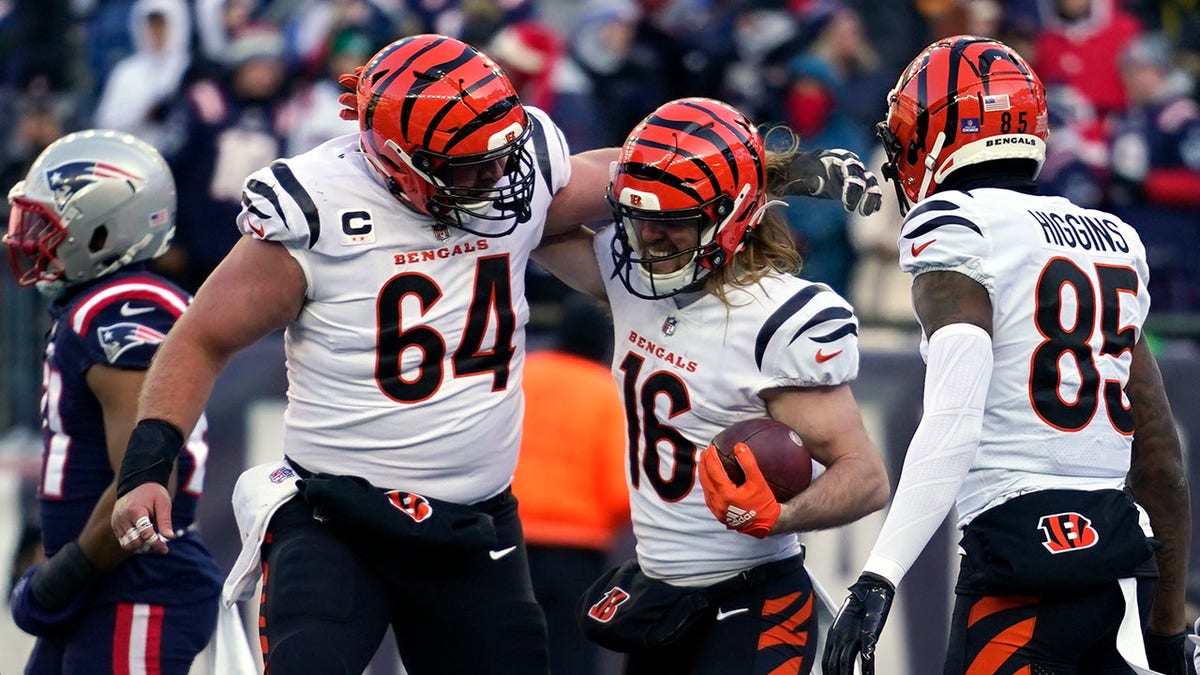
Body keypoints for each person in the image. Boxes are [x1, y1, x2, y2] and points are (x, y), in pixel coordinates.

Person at [107, 33, 620, 675]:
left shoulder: (512, 171)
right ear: (398, 160)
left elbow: (619, 177)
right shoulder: (319, 207)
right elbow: (201, 338)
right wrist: (148, 466)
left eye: (503, 157)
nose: (496, 178)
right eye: (468, 167)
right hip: (338, 521)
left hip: (476, 524)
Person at [822, 35, 1192, 675]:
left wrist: (877, 578)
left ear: (938, 133)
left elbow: (954, 419)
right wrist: (1166, 627)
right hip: (1112, 575)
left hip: (1016, 569)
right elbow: (1160, 457)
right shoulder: (1114, 239)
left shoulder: (958, 225)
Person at [532, 96, 891, 675]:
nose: (650, 236)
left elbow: (866, 478)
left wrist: (779, 517)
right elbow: (538, 211)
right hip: (661, 596)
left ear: (735, 215)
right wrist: (652, 166)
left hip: (753, 600)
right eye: (639, 214)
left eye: (675, 219)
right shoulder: (630, 278)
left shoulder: (777, 317)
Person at [3, 129, 222, 673]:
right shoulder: (99, 304)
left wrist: (65, 574)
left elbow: (145, 482)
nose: (31, 239)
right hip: (110, 578)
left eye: (47, 224)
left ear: (101, 230)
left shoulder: (126, 307)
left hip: (135, 581)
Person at [514, 297, 630, 675]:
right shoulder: (605, 392)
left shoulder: (525, 375)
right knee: (570, 658)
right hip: (576, 556)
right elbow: (618, 492)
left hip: (509, 545)